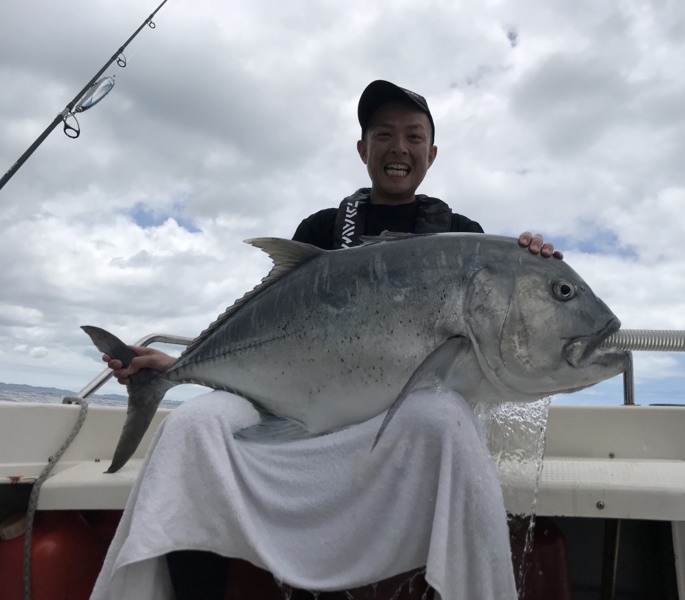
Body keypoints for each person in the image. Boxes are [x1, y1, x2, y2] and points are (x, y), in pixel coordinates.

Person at [92, 80, 562, 600]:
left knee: (444, 420)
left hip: (402, 425)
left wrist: (530, 268)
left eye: (413, 135)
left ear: (432, 152)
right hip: (310, 415)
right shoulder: (320, 229)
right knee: (192, 426)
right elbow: (272, 333)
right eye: (384, 134)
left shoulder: (464, 236)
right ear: (363, 149)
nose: (398, 148)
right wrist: (181, 365)